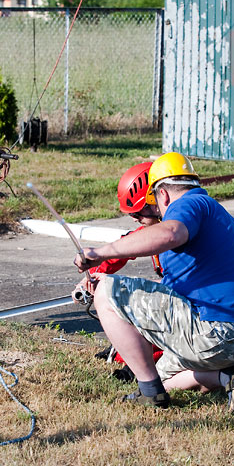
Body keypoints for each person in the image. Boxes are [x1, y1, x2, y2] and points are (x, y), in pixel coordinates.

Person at [74, 152, 234, 412]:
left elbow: (171, 233)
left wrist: (100, 254)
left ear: (162, 194)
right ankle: (229, 377)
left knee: (107, 290)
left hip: (215, 332)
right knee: (162, 377)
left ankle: (149, 393)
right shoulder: (212, 212)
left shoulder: (189, 205)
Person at [74, 161, 164, 378]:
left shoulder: (176, 232)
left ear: (156, 200)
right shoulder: (154, 228)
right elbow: (123, 249)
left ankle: (140, 365)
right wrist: (92, 274)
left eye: (139, 213)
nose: (135, 219)